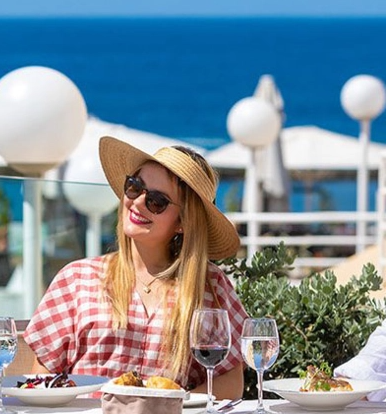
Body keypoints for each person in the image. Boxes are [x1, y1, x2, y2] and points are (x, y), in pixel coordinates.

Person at [24, 136, 247, 399]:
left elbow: (230, 383)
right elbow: (40, 378)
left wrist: (173, 407)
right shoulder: (77, 279)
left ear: (183, 222)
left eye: (156, 201)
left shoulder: (210, 286)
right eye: (134, 186)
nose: (138, 202)